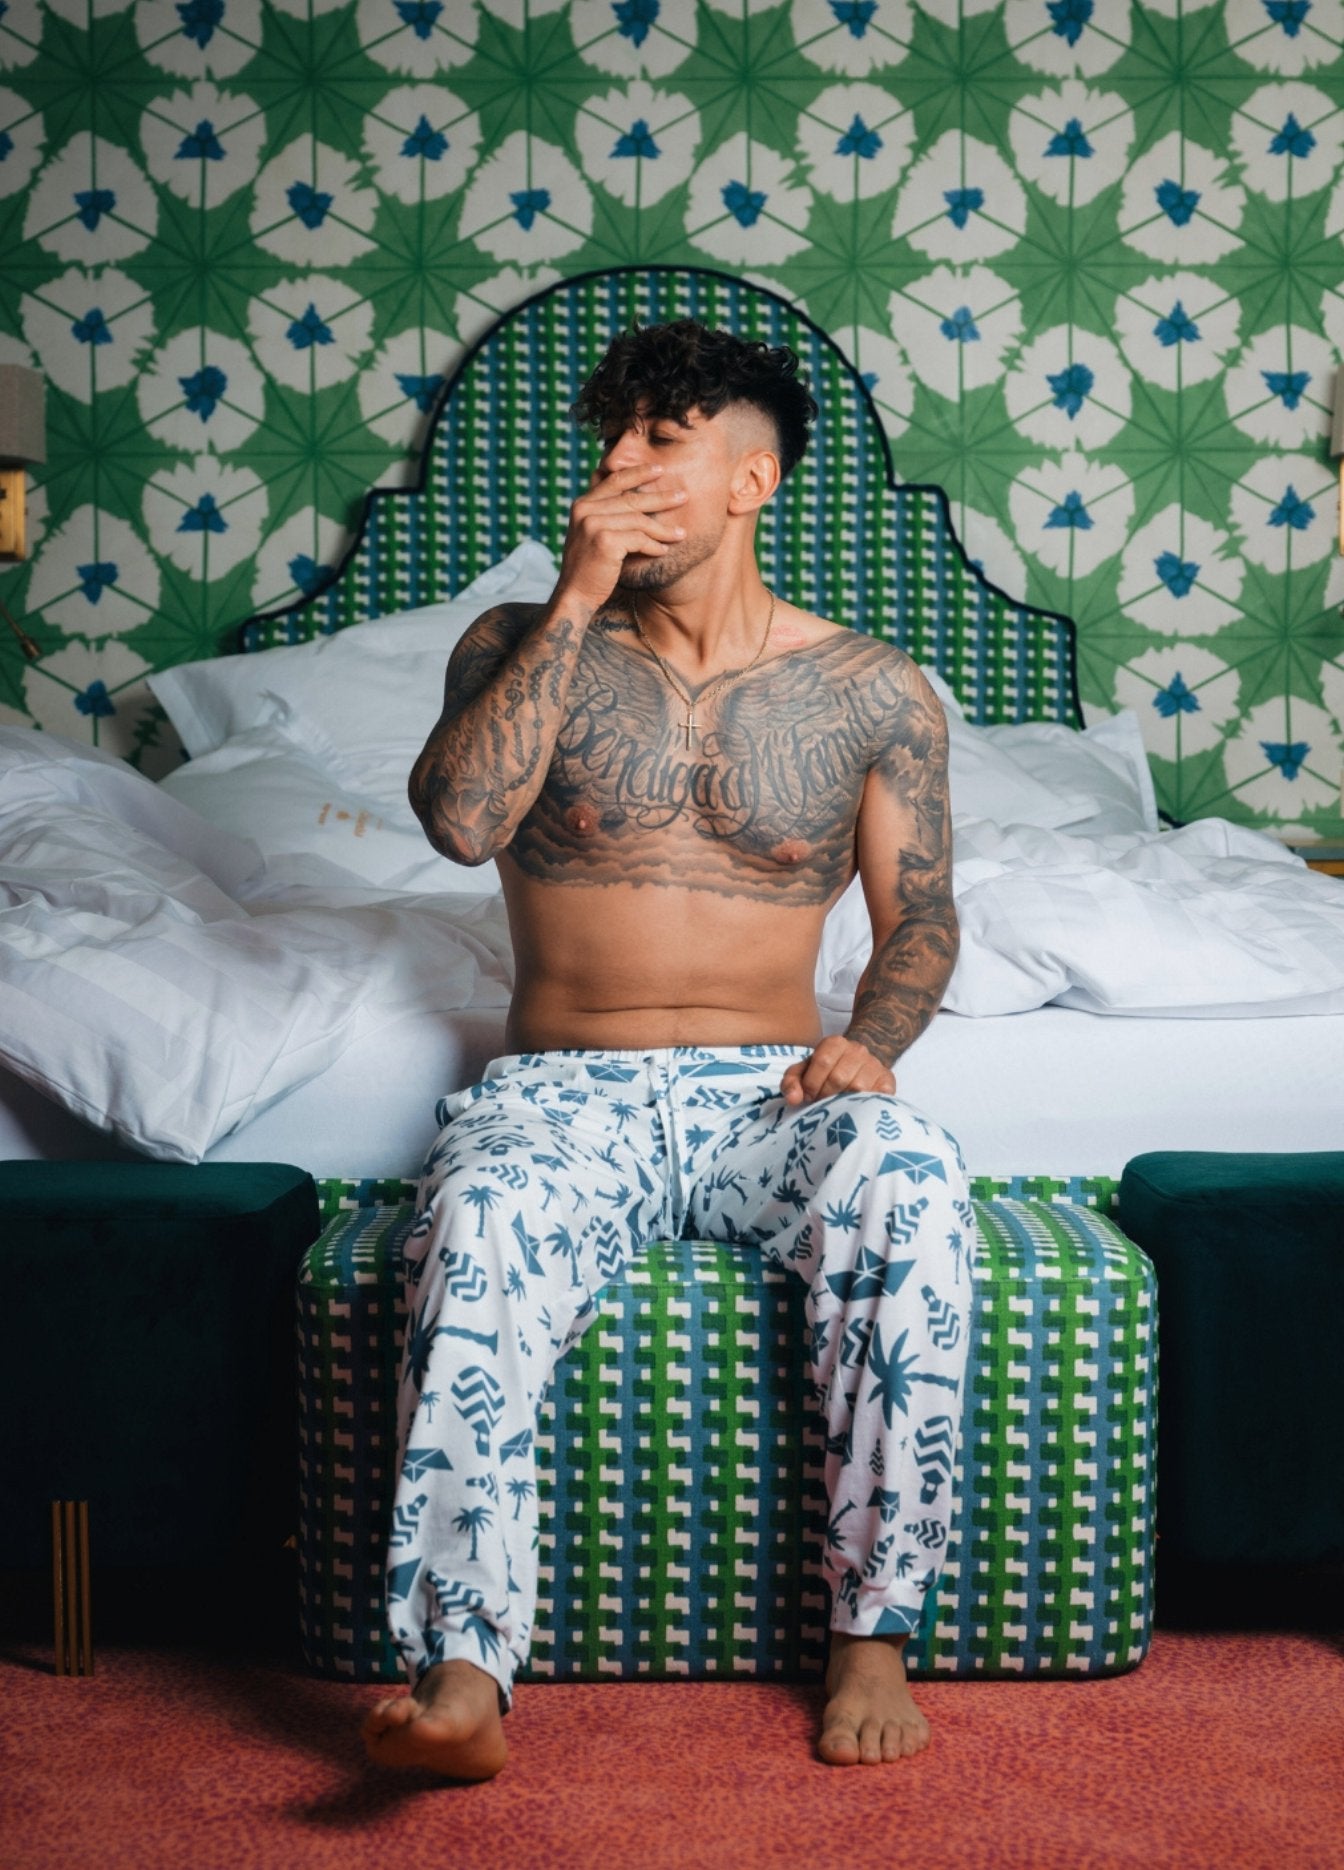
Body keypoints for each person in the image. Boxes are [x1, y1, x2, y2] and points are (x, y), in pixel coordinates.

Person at [361, 318, 971, 1781]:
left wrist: (871, 1045)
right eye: (611, 435)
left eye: (661, 437)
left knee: (910, 1171)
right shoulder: (518, 642)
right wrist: (573, 598)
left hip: (773, 1088)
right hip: (562, 1090)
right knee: (480, 1216)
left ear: (753, 478)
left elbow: (925, 918)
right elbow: (460, 825)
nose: (618, 464)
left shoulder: (872, 689)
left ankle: (873, 1632)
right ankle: (461, 1672)